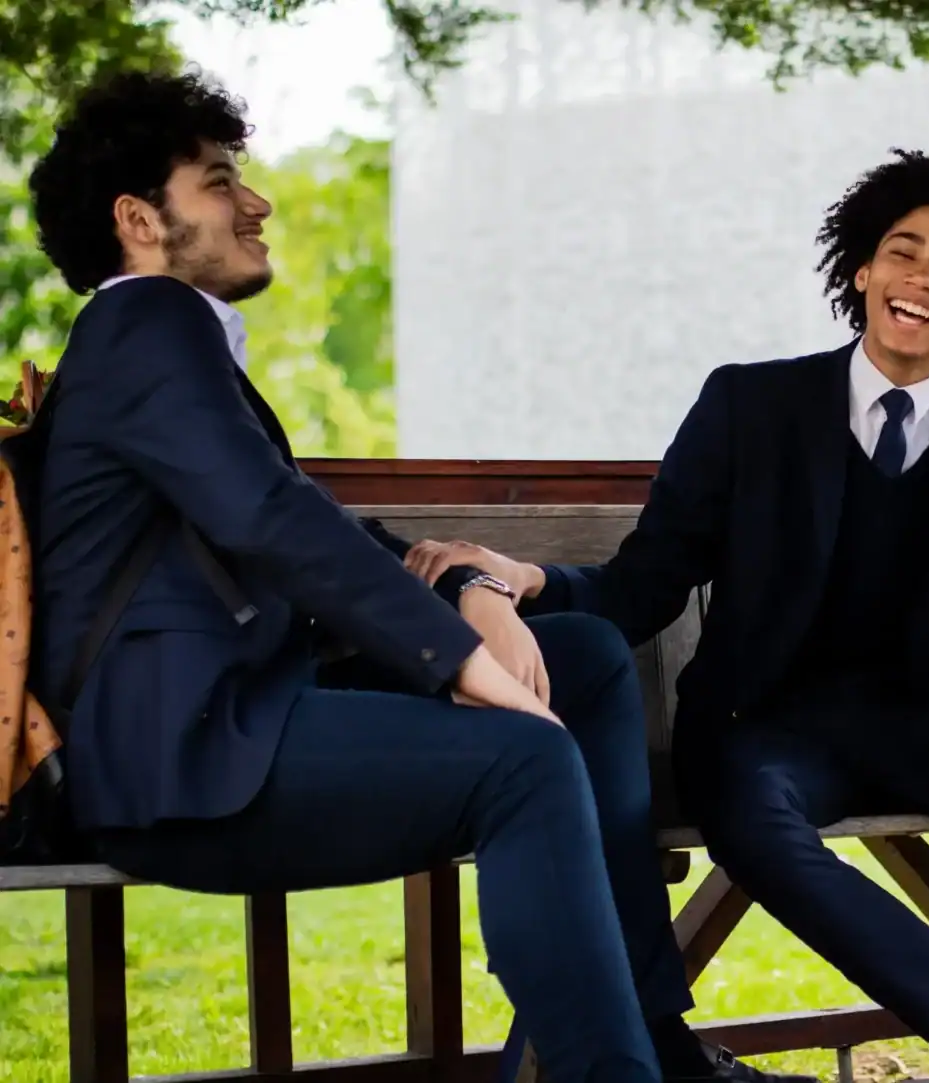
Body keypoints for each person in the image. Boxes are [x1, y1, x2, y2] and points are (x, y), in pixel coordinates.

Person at [407, 150, 929, 1083]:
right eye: (903, 252)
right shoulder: (749, 404)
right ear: (861, 270)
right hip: (764, 730)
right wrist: (525, 578)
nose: (922, 280)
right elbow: (645, 583)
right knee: (752, 818)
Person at [26, 69, 805, 1083]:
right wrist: (457, 659)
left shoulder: (164, 346)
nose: (256, 202)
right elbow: (270, 517)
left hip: (247, 711)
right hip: (180, 762)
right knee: (523, 762)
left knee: (584, 651)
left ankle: (650, 1036)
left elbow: (294, 516)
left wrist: (469, 587)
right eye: (220, 182)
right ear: (139, 219)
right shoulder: (145, 324)